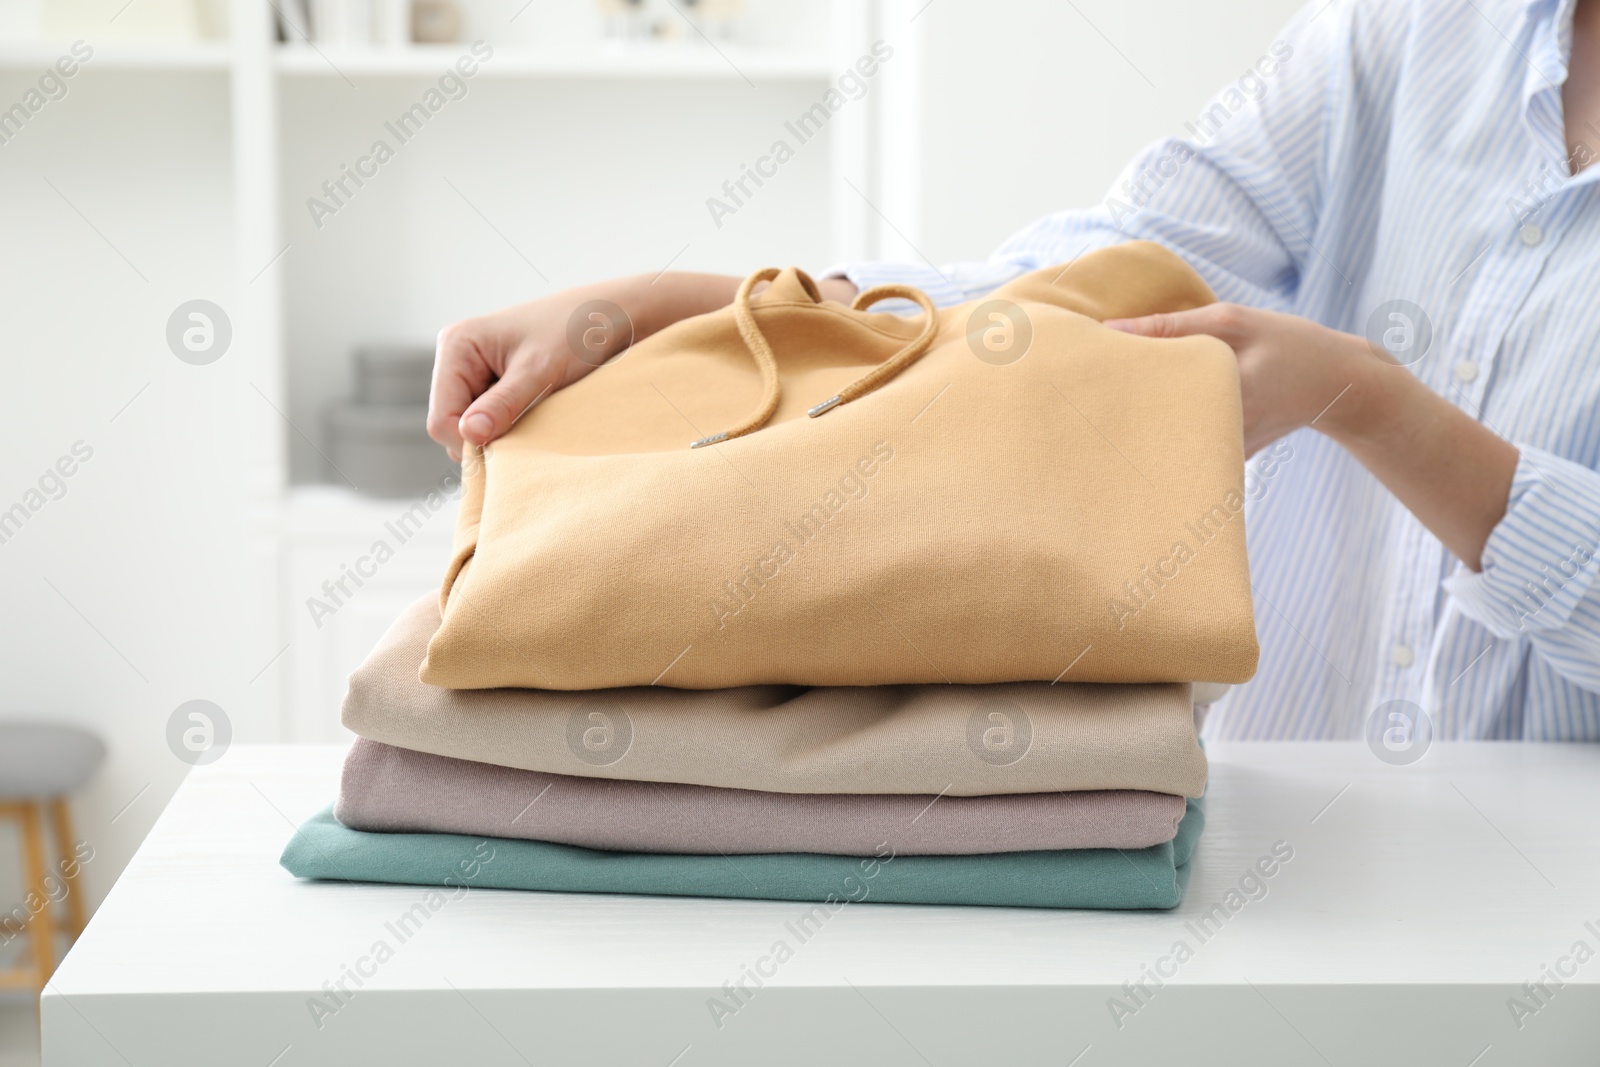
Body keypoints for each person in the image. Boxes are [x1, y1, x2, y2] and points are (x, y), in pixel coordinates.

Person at [426, 0, 1600, 741]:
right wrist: (694, 310)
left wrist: (1374, 405)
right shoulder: (1401, 36)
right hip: (1290, 857)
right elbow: (1074, 280)